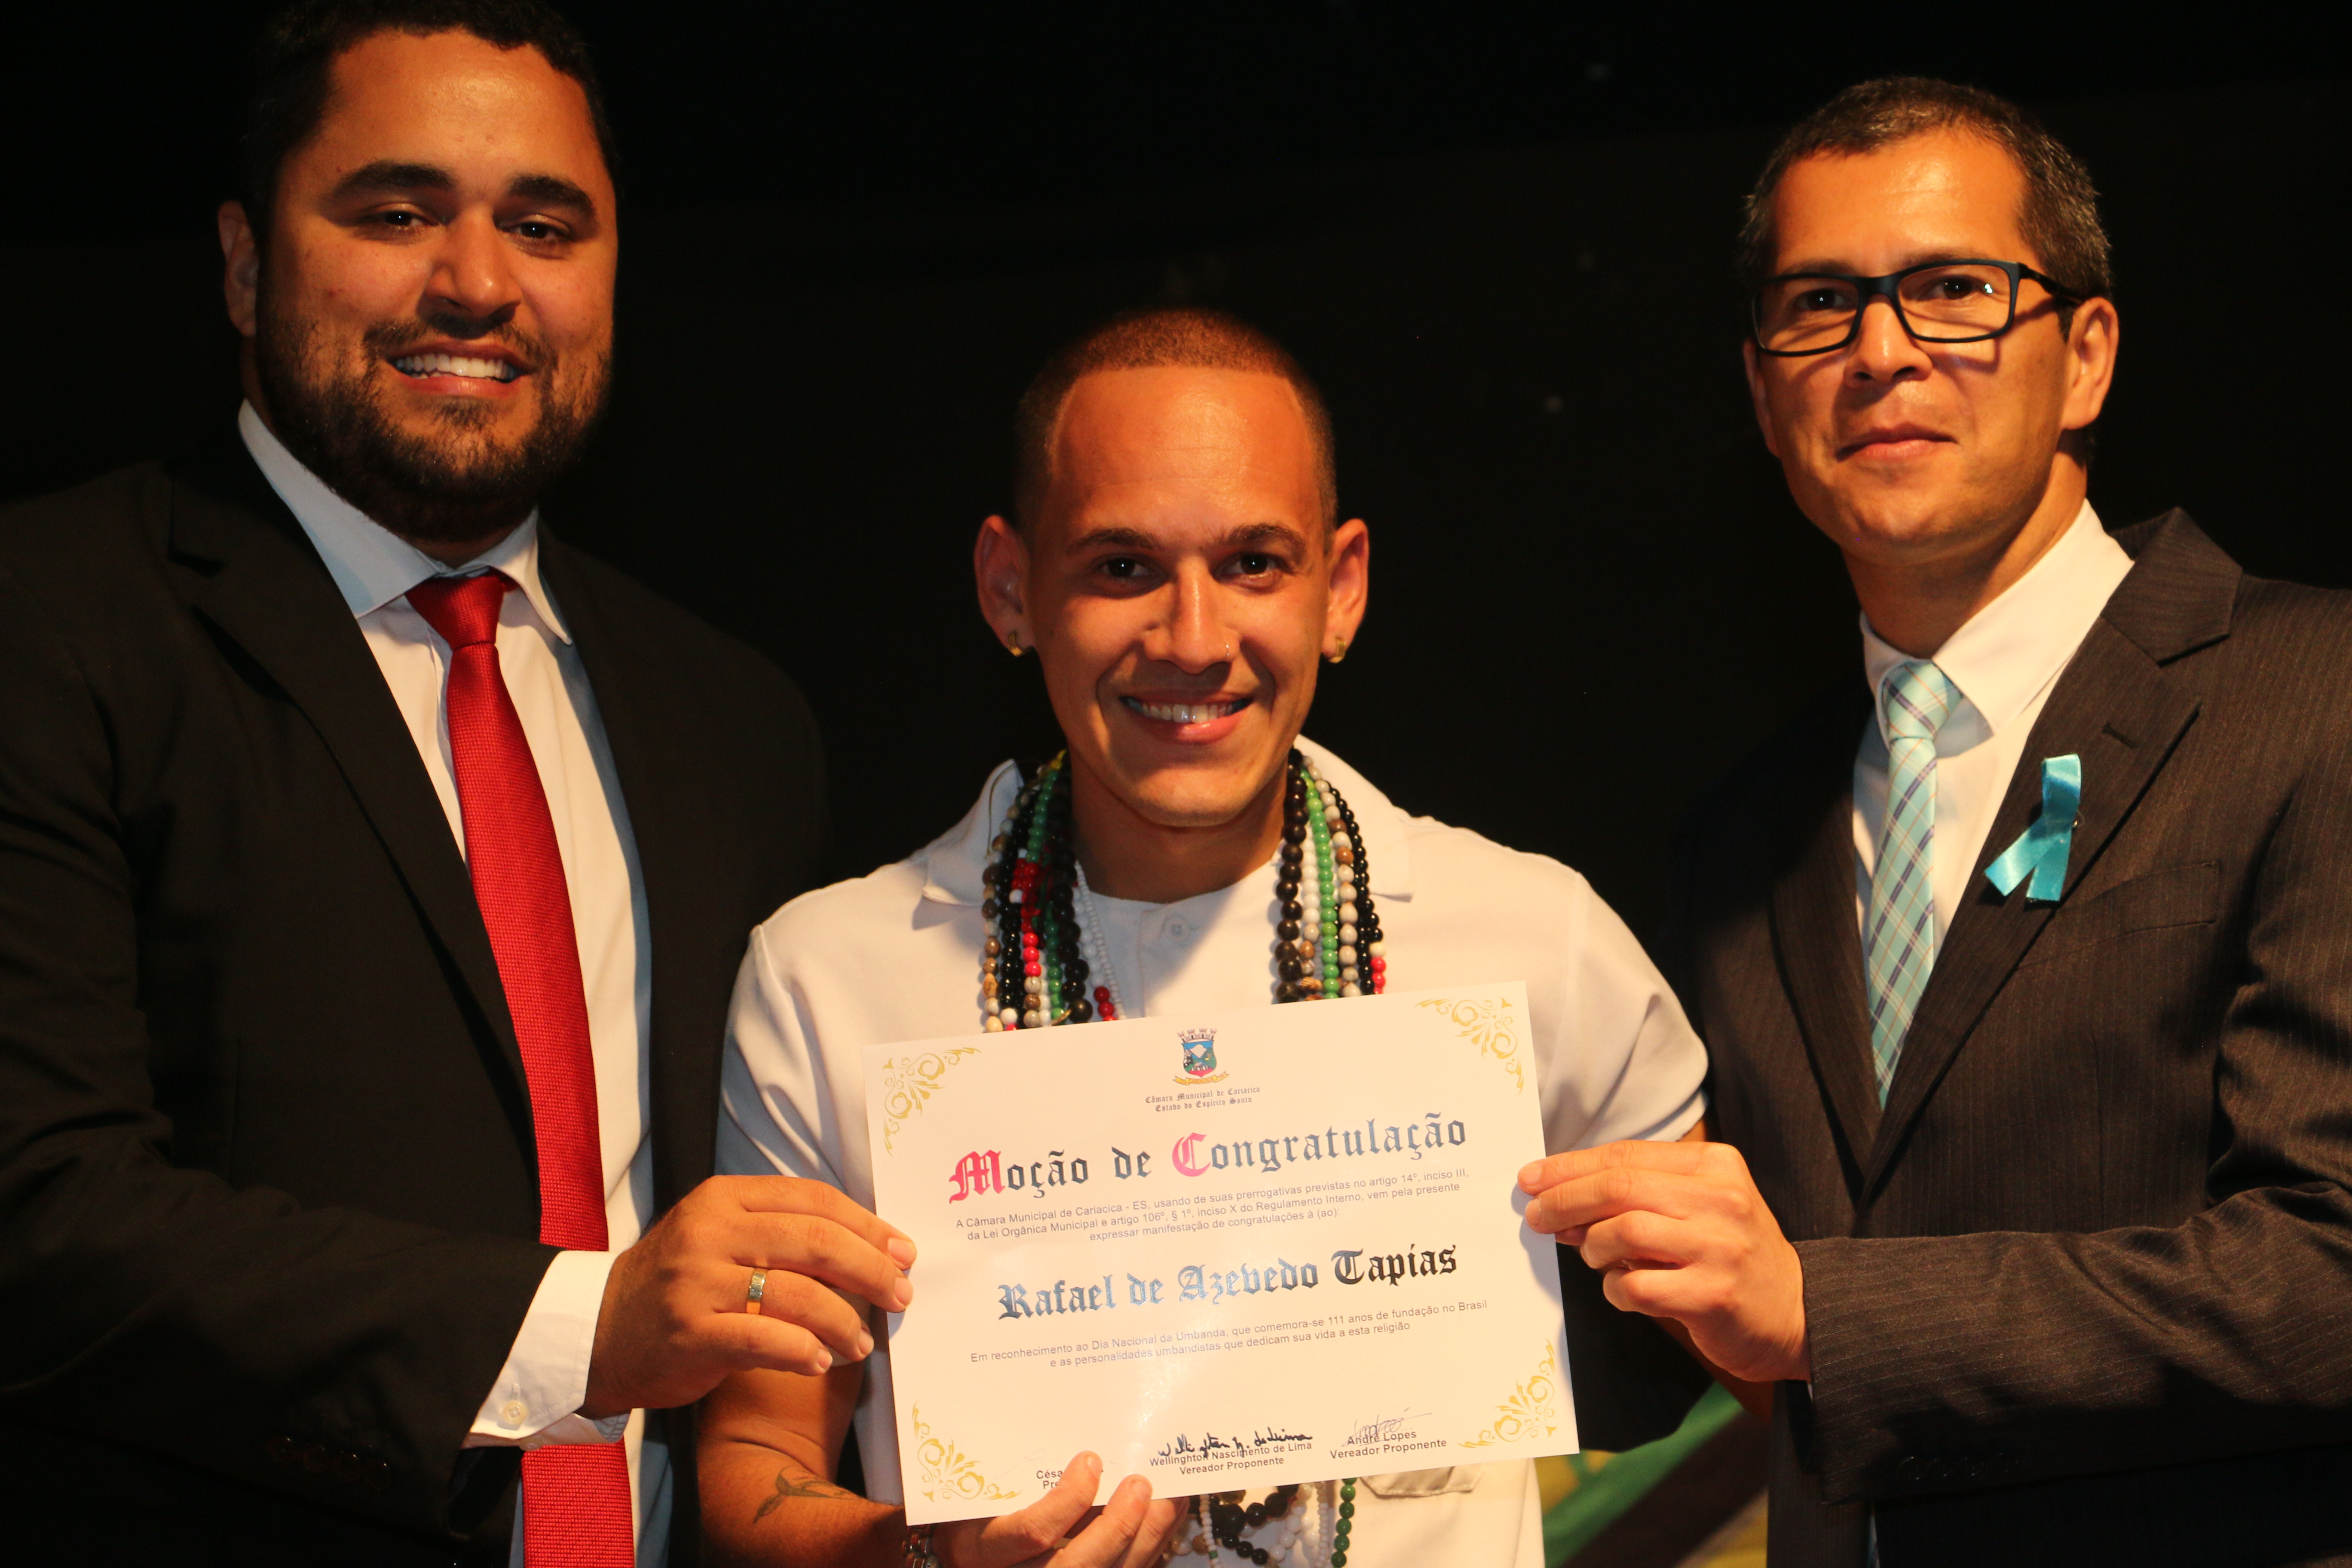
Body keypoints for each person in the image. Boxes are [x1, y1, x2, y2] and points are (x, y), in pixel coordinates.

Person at [0, 4, 913, 1564]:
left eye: (545, 227)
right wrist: (577, 1328)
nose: (480, 283)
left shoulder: (737, 720)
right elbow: (37, 1214)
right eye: (397, 212)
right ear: (244, 263)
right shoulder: (53, 624)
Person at [705, 307, 1713, 1568]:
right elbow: (755, 1463)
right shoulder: (829, 978)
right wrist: (928, 1559)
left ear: (1341, 588)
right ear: (1011, 588)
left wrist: (1751, 1278)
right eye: (1123, 566)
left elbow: (1771, 1374)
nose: (1192, 638)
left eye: (1254, 565)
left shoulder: (1535, 941)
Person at [1520, 76, 2352, 1567]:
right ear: (1764, 393)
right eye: (1820, 305)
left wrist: (1826, 1315)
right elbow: (1706, 1338)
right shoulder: (1745, 836)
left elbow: (2332, 1273)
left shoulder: (2318, 696)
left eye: (1955, 290)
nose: (1882, 351)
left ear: (2085, 356)